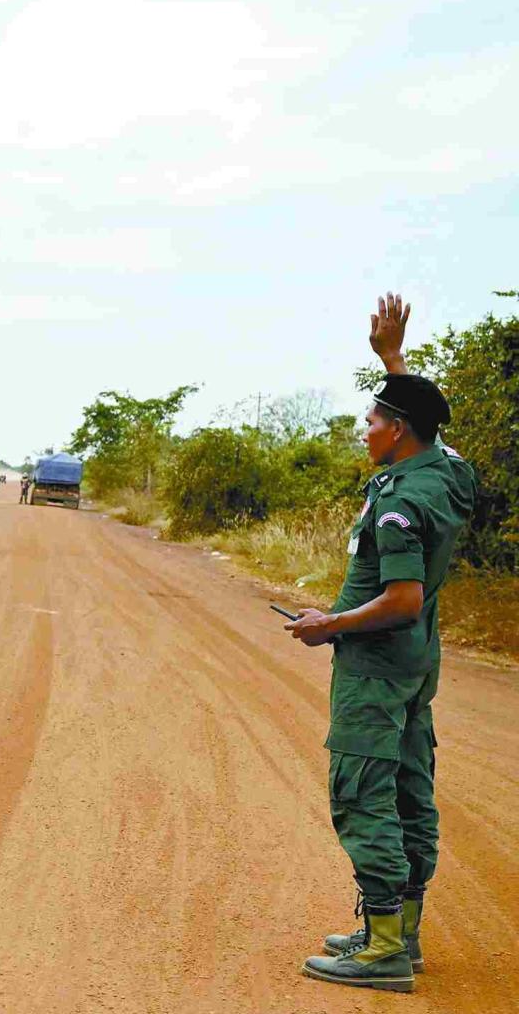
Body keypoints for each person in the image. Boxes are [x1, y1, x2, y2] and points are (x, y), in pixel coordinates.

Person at [285, 294, 475, 994]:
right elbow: (440, 433)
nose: (364, 432)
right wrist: (394, 363)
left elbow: (402, 600)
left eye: (372, 421)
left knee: (364, 794)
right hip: (415, 670)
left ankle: (382, 950)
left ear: (397, 432)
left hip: (376, 669)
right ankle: (401, 933)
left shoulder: (398, 503)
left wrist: (325, 626)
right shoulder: (446, 475)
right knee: (408, 793)